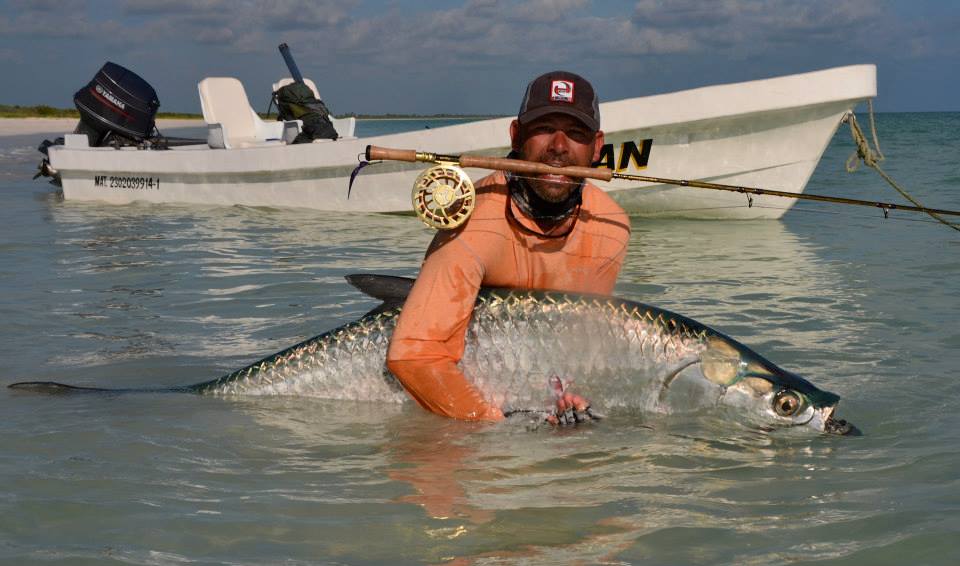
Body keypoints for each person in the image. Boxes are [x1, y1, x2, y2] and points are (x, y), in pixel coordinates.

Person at [386, 70, 631, 422]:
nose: (559, 147)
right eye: (544, 129)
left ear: (597, 147)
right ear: (516, 136)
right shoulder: (475, 222)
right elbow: (413, 355)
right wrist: (495, 432)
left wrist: (569, 399)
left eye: (576, 134)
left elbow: (577, 346)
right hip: (451, 391)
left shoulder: (611, 226)